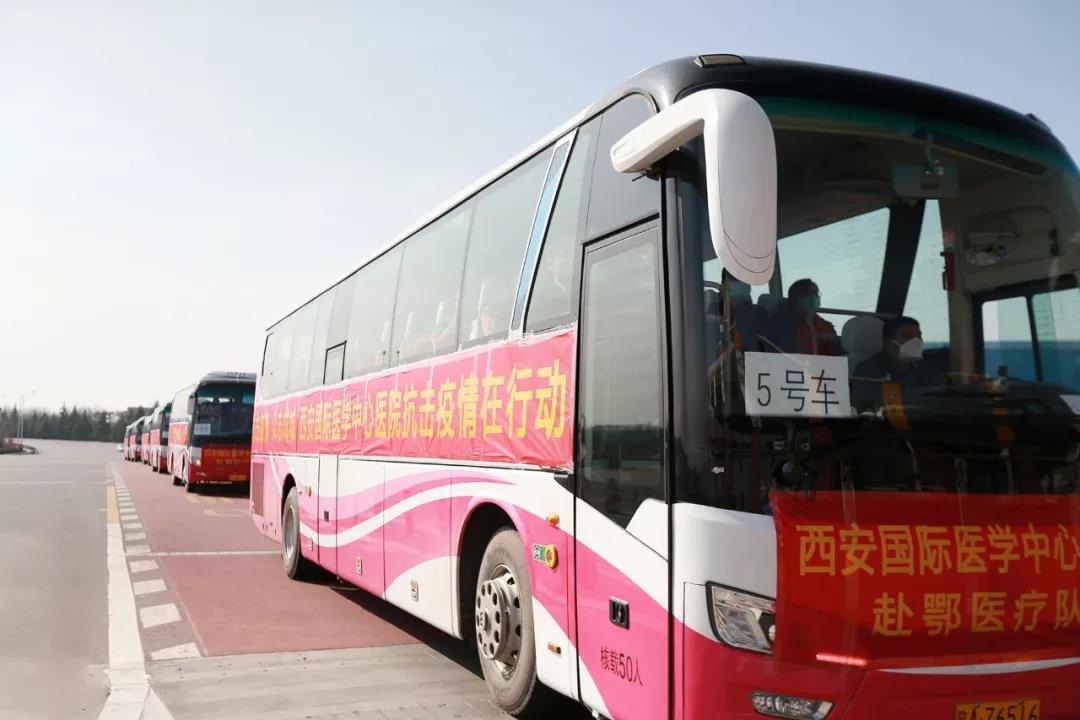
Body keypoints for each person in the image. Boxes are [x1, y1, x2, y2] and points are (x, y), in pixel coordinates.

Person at [852, 316, 943, 410]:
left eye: (918, 335)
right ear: (888, 342)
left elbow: (938, 400)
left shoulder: (926, 369)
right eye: (907, 336)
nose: (917, 341)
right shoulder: (868, 372)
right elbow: (869, 407)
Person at [785, 278, 839, 355]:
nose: (813, 298)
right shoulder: (785, 326)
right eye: (807, 295)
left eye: (815, 293)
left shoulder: (826, 325)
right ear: (794, 299)